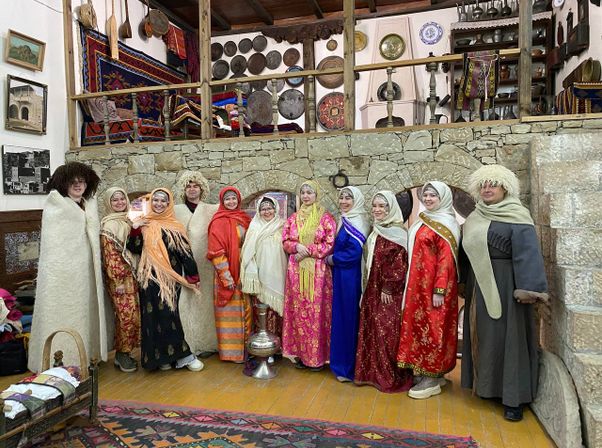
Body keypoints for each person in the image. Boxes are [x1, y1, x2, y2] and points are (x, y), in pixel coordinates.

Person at [461, 165, 548, 422]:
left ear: (505, 188)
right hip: (479, 285)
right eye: (483, 185)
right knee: (485, 336)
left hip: (507, 286)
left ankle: (513, 398)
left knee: (510, 339)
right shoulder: (475, 216)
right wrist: (462, 281)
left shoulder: (517, 216)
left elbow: (528, 254)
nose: (487, 189)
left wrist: (528, 288)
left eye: (493, 184)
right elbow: (465, 251)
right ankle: (487, 387)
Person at [28, 162, 112, 372]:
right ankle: (62, 360)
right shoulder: (56, 207)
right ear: (63, 183)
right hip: (63, 277)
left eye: (82, 181)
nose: (78, 185)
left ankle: (87, 356)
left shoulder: (88, 205)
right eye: (73, 181)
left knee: (86, 313)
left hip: (87, 273)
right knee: (65, 314)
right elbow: (55, 248)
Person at [127, 188, 204, 372]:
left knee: (169, 315)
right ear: (150, 202)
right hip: (149, 278)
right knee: (151, 318)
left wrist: (193, 276)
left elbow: (185, 252)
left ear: (169, 204)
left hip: (169, 279)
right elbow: (135, 248)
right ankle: (160, 359)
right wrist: (135, 228)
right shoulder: (144, 223)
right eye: (155, 200)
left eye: (163, 201)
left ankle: (183, 357)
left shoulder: (174, 226)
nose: (159, 204)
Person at [397, 181, 461, 399]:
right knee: (420, 328)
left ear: (443, 198)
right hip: (418, 287)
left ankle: (432, 377)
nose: (428, 199)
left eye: (433, 195)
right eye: (425, 195)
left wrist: (439, 290)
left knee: (434, 329)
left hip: (435, 290)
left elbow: (446, 261)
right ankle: (428, 372)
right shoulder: (424, 220)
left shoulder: (446, 224)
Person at [354, 191, 412, 393]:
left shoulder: (397, 233)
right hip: (372, 289)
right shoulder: (377, 230)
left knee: (386, 332)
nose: (377, 210)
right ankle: (370, 374)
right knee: (371, 328)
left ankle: (388, 377)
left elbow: (399, 264)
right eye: (375, 206)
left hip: (388, 292)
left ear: (391, 208)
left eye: (382, 206)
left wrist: (389, 287)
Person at [282, 181, 336, 371]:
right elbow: (285, 240)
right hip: (296, 272)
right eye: (303, 192)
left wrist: (307, 251)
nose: (306, 196)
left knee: (316, 313)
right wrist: (295, 246)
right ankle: (300, 355)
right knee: (298, 312)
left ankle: (317, 358)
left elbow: (330, 243)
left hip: (318, 273)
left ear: (316, 195)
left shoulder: (325, 218)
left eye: (309, 192)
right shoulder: (293, 218)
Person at [174, 172, 219, 358]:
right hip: (182, 264)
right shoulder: (176, 210)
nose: (192, 189)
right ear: (183, 189)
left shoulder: (211, 210)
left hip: (206, 264)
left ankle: (208, 342)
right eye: (188, 186)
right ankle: (189, 343)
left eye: (195, 186)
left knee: (206, 302)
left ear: (202, 189)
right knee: (185, 303)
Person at [327, 186, 370, 382]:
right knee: (341, 317)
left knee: (348, 319)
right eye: (341, 197)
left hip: (350, 277)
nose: (343, 201)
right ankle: (340, 364)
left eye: (348, 198)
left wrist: (332, 259)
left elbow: (354, 254)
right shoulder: (345, 219)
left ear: (357, 201)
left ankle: (348, 367)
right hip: (341, 275)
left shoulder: (358, 221)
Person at [207, 186, 252, 363]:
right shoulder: (217, 222)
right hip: (227, 272)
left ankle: (246, 349)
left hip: (245, 269)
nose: (231, 202)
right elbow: (216, 252)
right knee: (229, 312)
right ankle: (232, 353)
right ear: (222, 201)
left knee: (246, 308)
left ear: (239, 200)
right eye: (227, 199)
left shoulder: (244, 219)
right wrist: (227, 277)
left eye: (234, 198)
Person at [100, 187, 140, 373]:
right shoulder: (108, 225)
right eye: (114, 200)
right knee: (126, 316)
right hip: (120, 280)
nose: (119, 203)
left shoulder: (129, 219)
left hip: (134, 276)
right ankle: (122, 354)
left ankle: (126, 352)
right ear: (108, 203)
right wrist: (118, 281)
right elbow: (110, 257)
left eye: (122, 199)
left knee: (135, 315)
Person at [240, 196, 287, 337]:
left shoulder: (283, 225)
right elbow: (247, 252)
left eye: (270, 208)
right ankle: (261, 339)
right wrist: (252, 272)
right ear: (259, 211)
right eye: (263, 209)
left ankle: (277, 341)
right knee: (261, 307)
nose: (267, 212)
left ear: (275, 209)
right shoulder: (254, 227)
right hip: (261, 273)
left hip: (279, 273)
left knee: (278, 307)